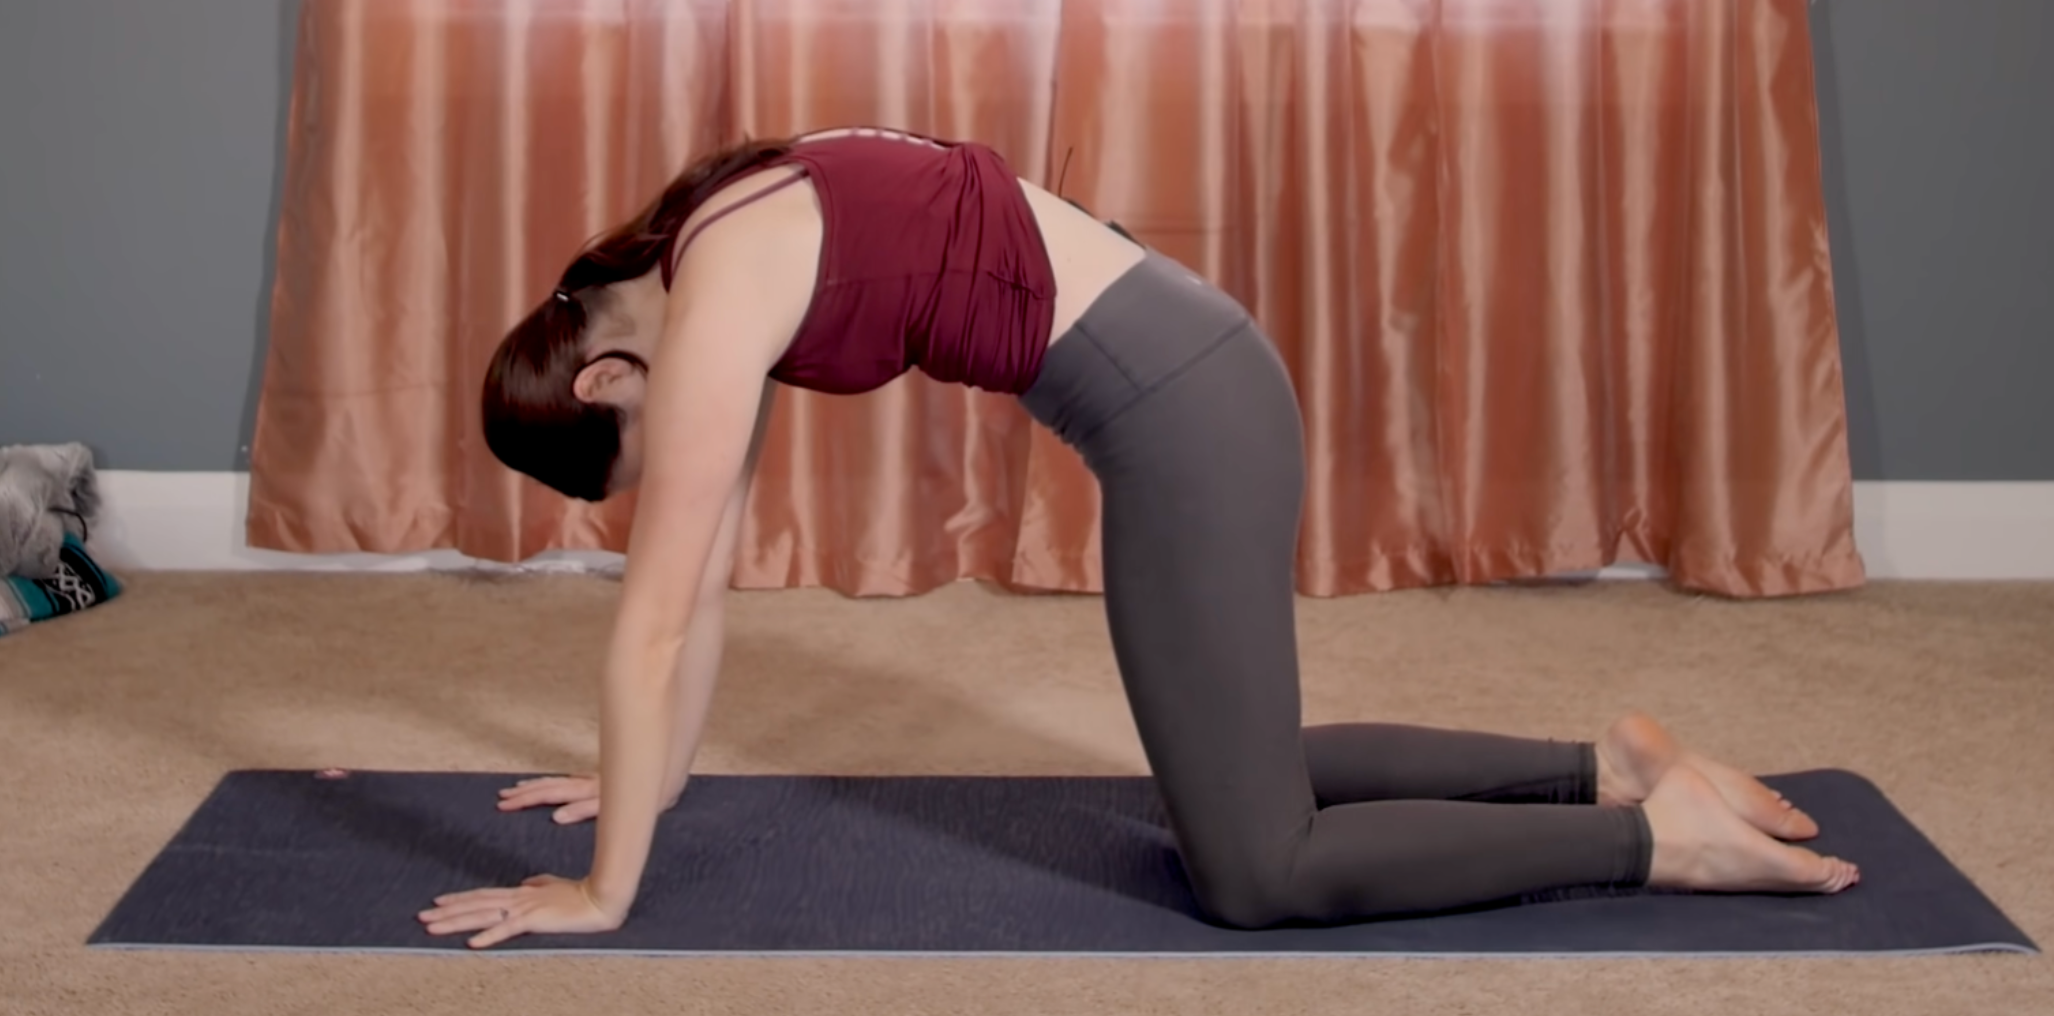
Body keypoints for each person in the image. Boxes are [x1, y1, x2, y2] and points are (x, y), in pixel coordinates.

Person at [419, 128, 1859, 949]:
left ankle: (1652, 841)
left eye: (633, 462)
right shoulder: (718, 232)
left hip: (1189, 413)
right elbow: (706, 583)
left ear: (604, 385)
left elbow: (656, 615)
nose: (666, 473)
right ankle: (1609, 765)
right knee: (1226, 781)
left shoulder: (718, 285)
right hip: (1193, 385)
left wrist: (603, 894)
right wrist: (651, 782)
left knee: (1257, 872)